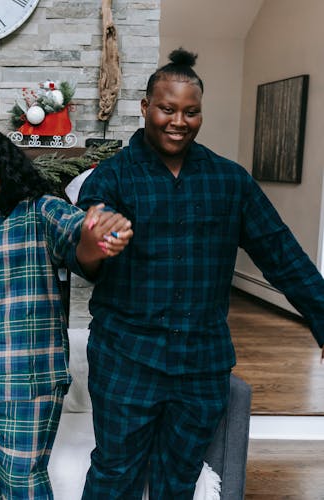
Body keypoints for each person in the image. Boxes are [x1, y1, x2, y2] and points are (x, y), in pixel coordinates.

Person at [77, 48, 324, 499]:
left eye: (191, 112)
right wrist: (95, 242)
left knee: (180, 480)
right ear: (145, 107)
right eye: (167, 109)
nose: (178, 121)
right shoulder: (110, 178)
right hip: (125, 357)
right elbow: (85, 252)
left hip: (201, 364)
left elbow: (283, 255)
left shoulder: (230, 181)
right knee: (115, 476)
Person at [0, 124, 133, 498]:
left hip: (28, 378)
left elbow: (77, 238)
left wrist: (95, 236)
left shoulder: (40, 211)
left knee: (21, 483)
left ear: (4, 170)